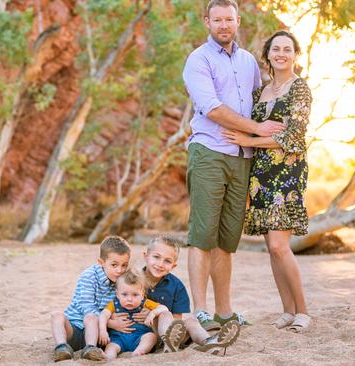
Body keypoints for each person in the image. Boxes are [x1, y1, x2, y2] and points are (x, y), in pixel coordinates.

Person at [182, 0, 285, 331]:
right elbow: (212, 107)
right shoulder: (198, 60)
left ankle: (224, 311)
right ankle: (200, 310)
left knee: (227, 240)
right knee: (202, 236)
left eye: (229, 19)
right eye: (217, 19)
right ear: (206, 22)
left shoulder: (248, 61)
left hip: (242, 158)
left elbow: (256, 104)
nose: (224, 25)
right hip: (210, 152)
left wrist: (266, 135)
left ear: (237, 21)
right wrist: (255, 129)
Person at [223, 30, 312, 332]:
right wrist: (255, 134)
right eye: (276, 49)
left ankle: (303, 311)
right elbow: (261, 127)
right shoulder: (260, 90)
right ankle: (287, 311)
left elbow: (294, 137)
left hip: (286, 174)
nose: (281, 54)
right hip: (260, 175)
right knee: (271, 249)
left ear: (295, 54)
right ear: (268, 54)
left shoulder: (299, 89)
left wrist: (250, 137)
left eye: (288, 49)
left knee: (279, 245)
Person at [51, 235, 131, 362]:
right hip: (75, 328)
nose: (120, 270)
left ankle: (90, 349)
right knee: (57, 315)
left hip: (97, 335)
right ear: (101, 263)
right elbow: (87, 308)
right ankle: (62, 347)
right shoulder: (89, 276)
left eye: (124, 265)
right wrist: (111, 323)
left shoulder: (123, 280)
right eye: (114, 265)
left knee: (92, 318)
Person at [98, 270, 183, 359]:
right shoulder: (113, 304)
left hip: (140, 337)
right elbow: (103, 315)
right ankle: (108, 357)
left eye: (135, 295)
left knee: (151, 337)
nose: (129, 299)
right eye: (124, 294)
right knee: (111, 347)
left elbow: (164, 308)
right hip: (118, 338)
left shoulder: (145, 303)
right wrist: (103, 331)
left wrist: (152, 313)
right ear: (117, 294)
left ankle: (139, 351)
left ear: (142, 295)